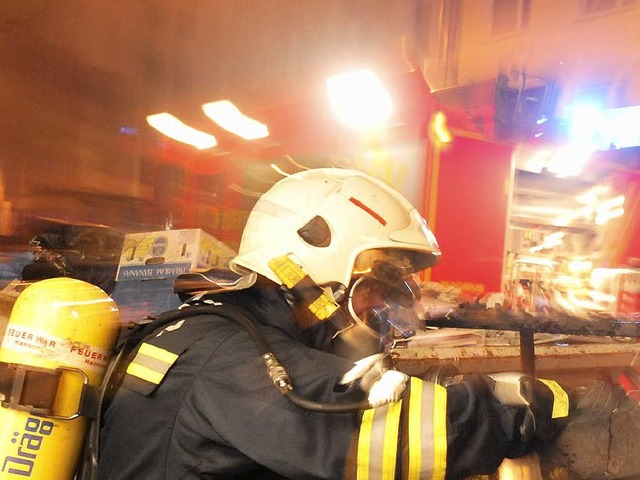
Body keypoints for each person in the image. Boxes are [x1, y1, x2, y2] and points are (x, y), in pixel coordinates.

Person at [97, 168, 568, 480]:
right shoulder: (233, 358)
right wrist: (541, 406)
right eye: (376, 285)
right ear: (309, 277)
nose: (382, 307)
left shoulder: (226, 328)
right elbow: (388, 433)